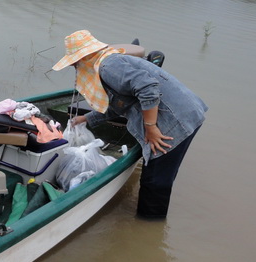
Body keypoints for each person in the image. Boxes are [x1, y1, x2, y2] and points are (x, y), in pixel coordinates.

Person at [53, 30, 207, 219]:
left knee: (155, 180)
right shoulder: (106, 63)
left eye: (75, 62)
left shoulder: (108, 65)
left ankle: (149, 224)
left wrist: (150, 128)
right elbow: (120, 104)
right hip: (183, 113)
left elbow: (148, 89)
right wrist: (85, 119)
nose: (75, 67)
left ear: (84, 57)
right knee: (158, 175)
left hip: (175, 119)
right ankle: (150, 233)